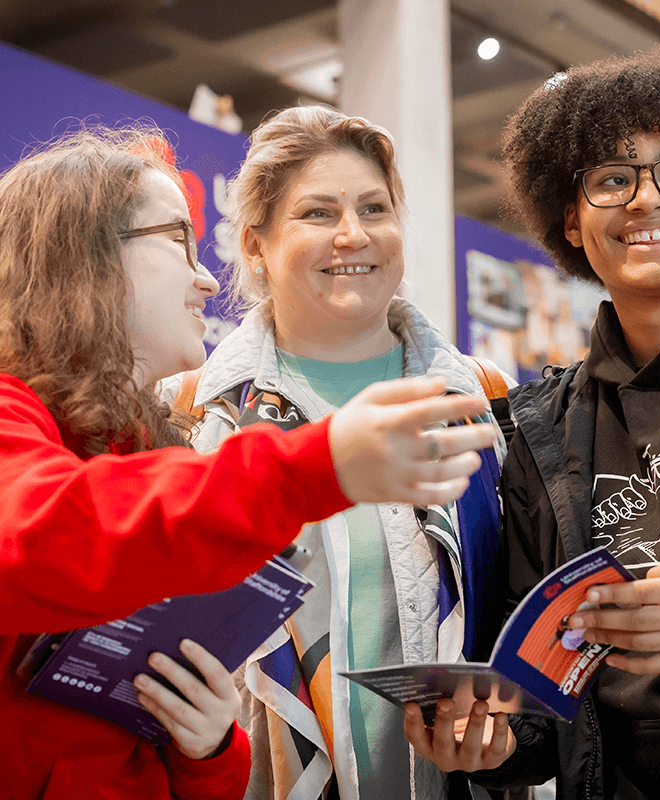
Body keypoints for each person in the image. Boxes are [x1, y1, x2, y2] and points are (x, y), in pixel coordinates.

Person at [0, 126, 496, 800]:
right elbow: (42, 536)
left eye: (376, 208)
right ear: (83, 258)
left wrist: (202, 747)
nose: (204, 276)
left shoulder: (484, 398)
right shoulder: (154, 423)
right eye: (178, 239)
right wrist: (315, 465)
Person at [405, 43, 660, 800]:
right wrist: (493, 746)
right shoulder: (540, 427)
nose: (647, 199)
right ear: (575, 224)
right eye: (613, 180)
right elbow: (547, 701)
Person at [167, 105, 510, 800]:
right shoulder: (191, 413)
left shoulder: (485, 398)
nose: (353, 235)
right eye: (317, 214)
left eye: (374, 208)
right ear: (255, 247)